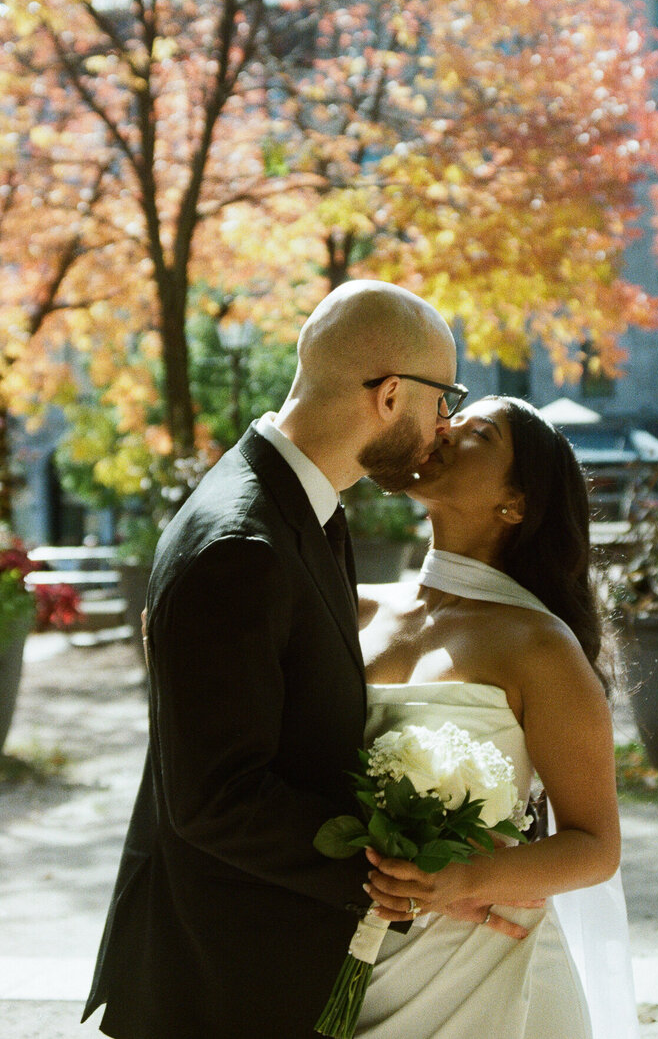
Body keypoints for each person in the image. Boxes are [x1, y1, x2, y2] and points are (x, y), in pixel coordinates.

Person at [83, 280, 466, 1039]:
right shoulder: (241, 543)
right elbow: (215, 796)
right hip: (221, 984)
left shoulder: (302, 506)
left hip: (249, 963)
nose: (445, 423)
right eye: (442, 399)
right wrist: (391, 867)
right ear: (391, 395)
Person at [355, 396, 639, 1038]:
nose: (445, 428)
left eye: (479, 431)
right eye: (451, 416)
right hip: (347, 946)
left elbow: (595, 845)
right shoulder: (353, 610)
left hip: (486, 971)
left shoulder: (540, 647)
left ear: (515, 505)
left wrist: (467, 878)